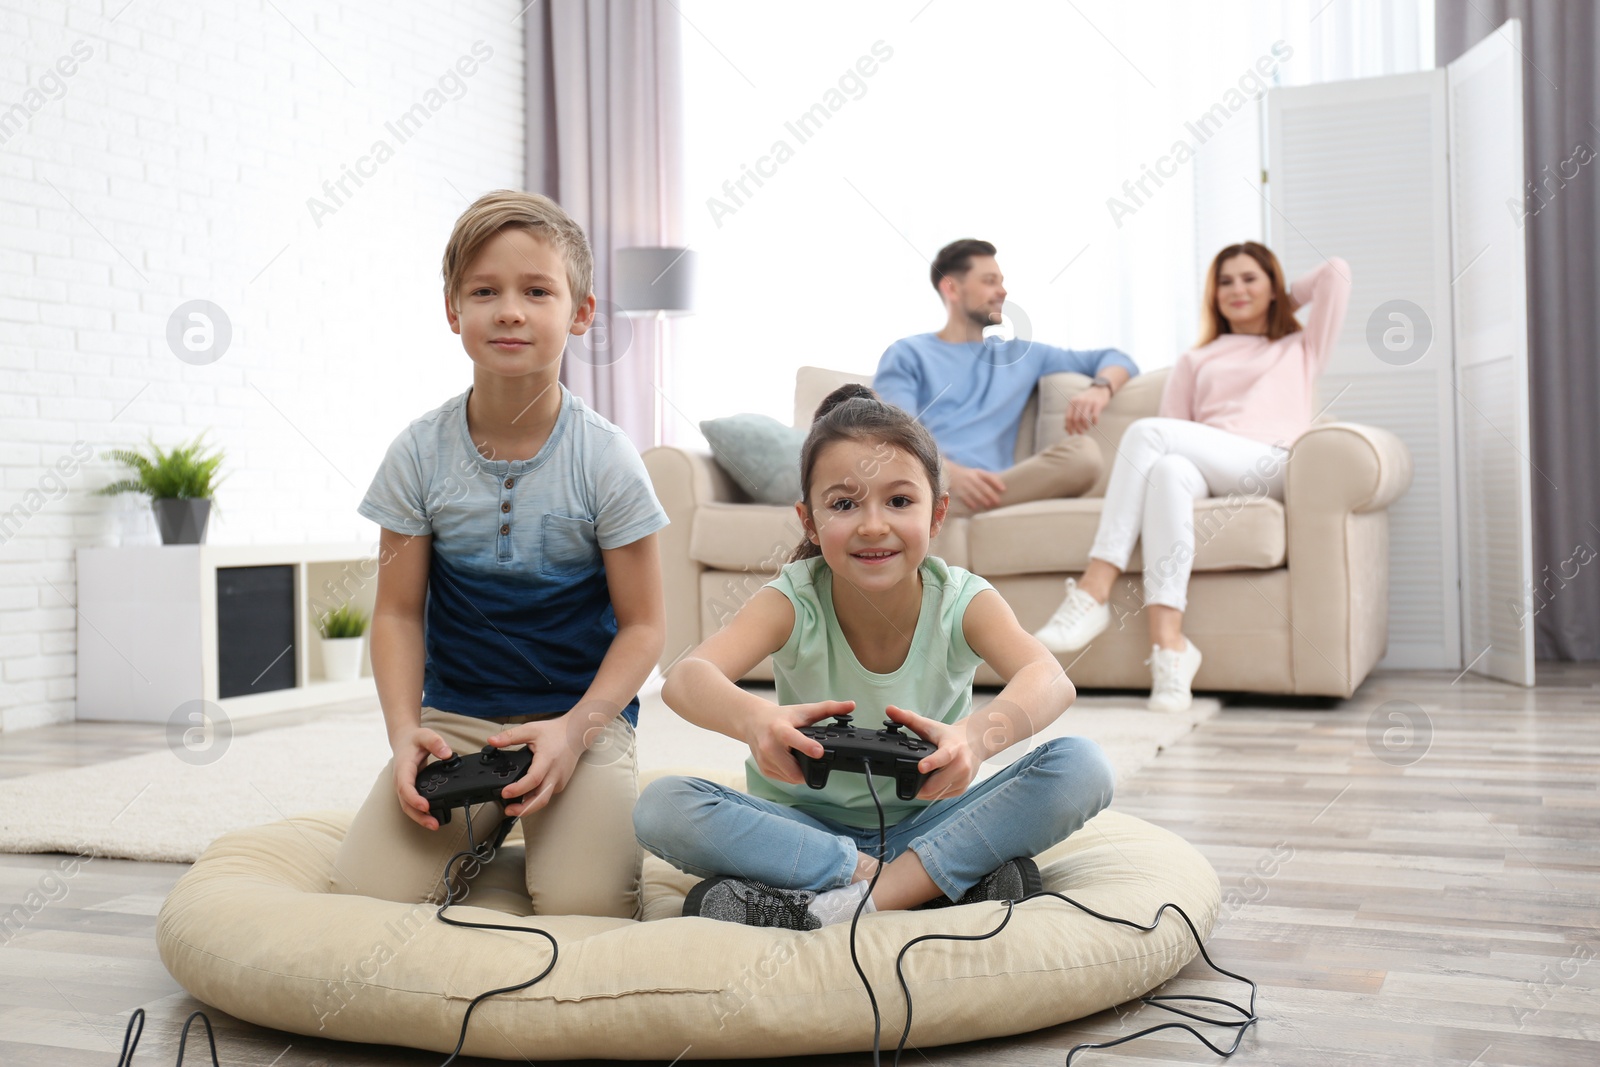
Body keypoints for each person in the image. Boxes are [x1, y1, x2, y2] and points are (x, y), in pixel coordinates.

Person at [632, 385, 1115, 929]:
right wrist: (756, 721)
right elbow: (685, 677)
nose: (872, 525)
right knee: (662, 806)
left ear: (938, 515)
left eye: (900, 501)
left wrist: (975, 740)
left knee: (1082, 765)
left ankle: (829, 901)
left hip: (930, 823)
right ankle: (920, 886)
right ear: (809, 521)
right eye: (843, 504)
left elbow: (1050, 679)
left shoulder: (961, 599)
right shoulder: (794, 598)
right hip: (801, 829)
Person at [329, 190, 668, 919]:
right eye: (485, 291)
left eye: (536, 291)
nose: (509, 310)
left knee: (586, 906)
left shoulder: (607, 459)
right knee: (366, 897)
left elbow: (645, 626)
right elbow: (395, 611)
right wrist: (403, 734)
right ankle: (494, 834)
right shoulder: (418, 453)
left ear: (580, 313)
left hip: (581, 717)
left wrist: (576, 733)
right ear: (453, 310)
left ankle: (544, 836)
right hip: (458, 720)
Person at [1032, 242, 1352, 713]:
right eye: (1225, 281)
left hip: (1273, 464)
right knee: (1165, 468)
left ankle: (1095, 587)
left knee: (1147, 434)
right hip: (1211, 466)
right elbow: (1171, 434)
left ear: (1272, 287)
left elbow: (1336, 272)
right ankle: (1171, 649)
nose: (1237, 289)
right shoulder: (1196, 360)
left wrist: (1281, 295)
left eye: (1250, 279)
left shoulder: (1300, 346)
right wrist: (1265, 288)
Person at [873, 239, 1140, 516]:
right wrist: (950, 474)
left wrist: (1101, 388)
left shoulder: (1020, 353)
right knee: (913, 485)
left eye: (1001, 282)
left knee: (1083, 455)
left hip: (999, 489)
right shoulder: (908, 354)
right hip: (930, 481)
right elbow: (896, 436)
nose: (1002, 291)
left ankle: (940, 513)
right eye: (989, 281)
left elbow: (1117, 359)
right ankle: (937, 507)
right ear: (951, 287)